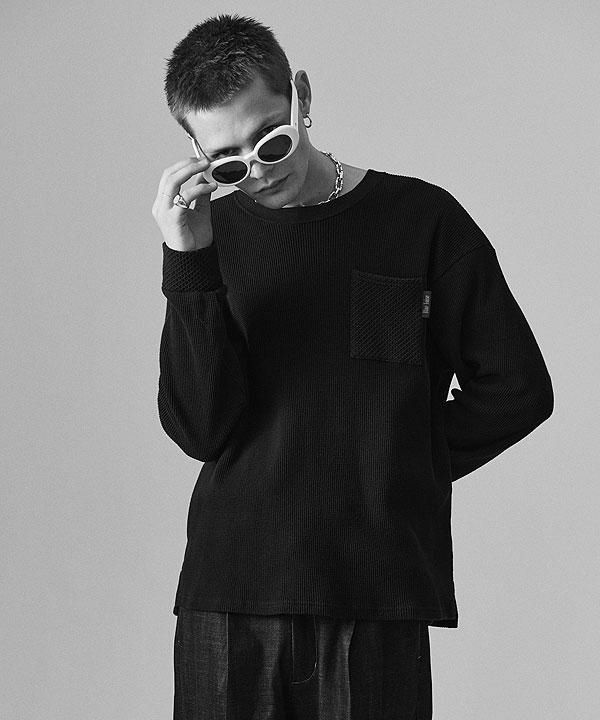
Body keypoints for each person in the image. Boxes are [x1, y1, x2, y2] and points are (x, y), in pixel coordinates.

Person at [152, 13, 554, 720]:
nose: (259, 170)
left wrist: (398, 463)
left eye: (271, 139)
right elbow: (198, 429)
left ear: (302, 96)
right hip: (231, 590)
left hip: (373, 593)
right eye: (228, 163)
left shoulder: (421, 220)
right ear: (196, 155)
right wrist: (187, 260)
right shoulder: (213, 238)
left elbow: (517, 389)